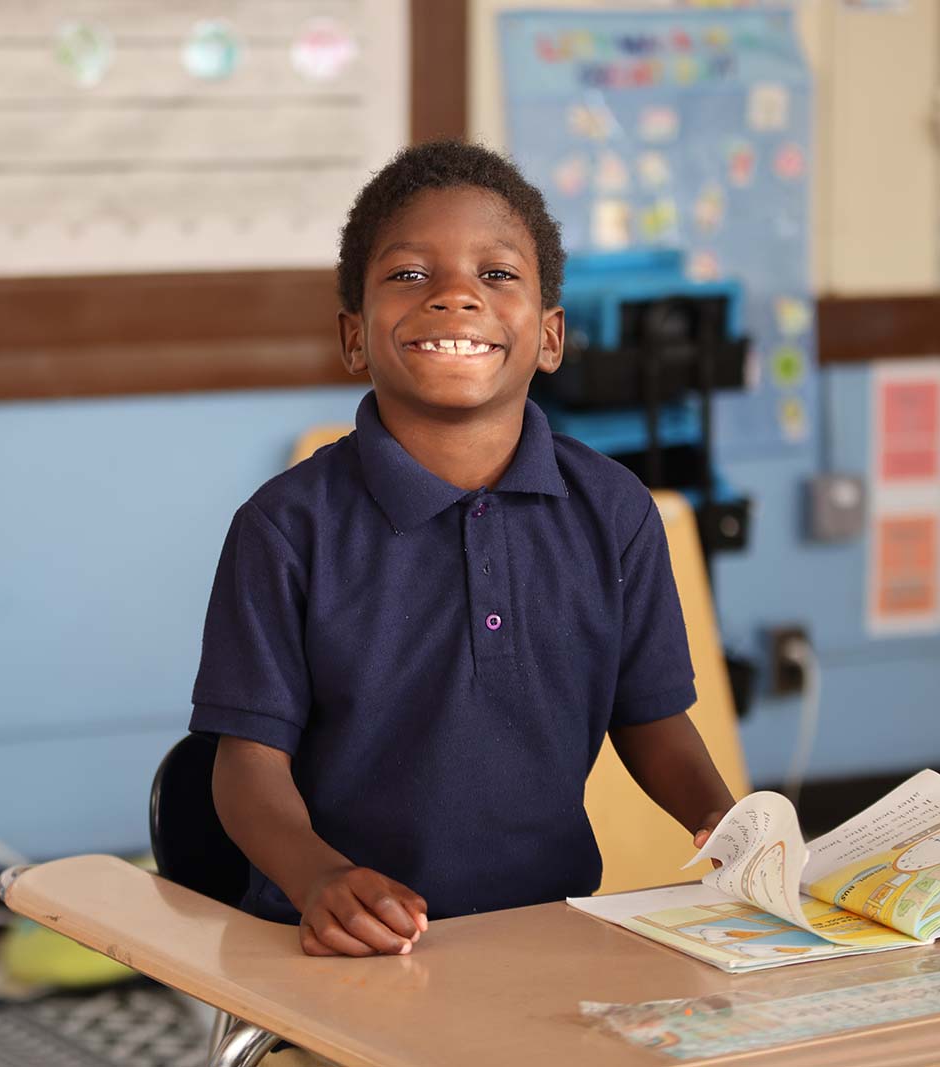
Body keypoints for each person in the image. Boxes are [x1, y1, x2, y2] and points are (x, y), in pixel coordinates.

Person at [191, 141, 736, 966]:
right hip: (345, 945)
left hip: (549, 930)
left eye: (497, 275)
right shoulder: (285, 528)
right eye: (410, 275)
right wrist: (320, 878)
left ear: (549, 336)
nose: (454, 296)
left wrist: (738, 831)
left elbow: (653, 720)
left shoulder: (616, 511)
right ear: (353, 337)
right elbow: (245, 769)